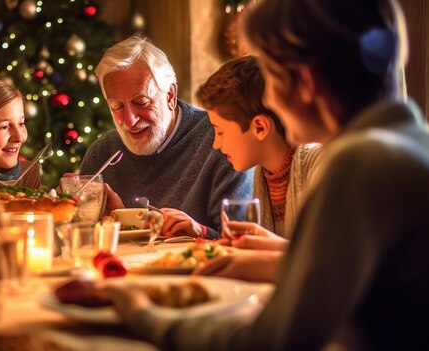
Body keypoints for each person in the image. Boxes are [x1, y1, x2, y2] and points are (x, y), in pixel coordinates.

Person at [106, 0, 429, 349]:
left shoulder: (359, 164)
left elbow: (271, 340)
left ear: (305, 80)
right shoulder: (409, 143)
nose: (269, 98)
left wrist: (141, 313)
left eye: (271, 75)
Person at [81, 35, 252, 239]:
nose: (130, 121)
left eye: (141, 102)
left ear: (170, 95)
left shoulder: (222, 140)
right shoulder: (102, 154)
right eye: (117, 107)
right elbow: (83, 239)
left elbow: (240, 243)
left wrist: (198, 232)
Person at [196, 55, 321, 251]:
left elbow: (332, 259)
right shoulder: (263, 175)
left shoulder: (319, 167)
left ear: (260, 128)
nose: (215, 144)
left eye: (220, 131)